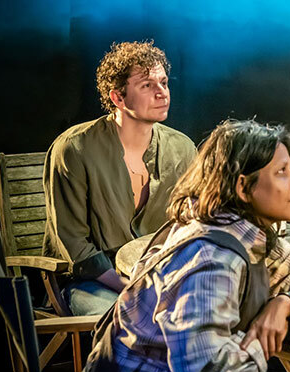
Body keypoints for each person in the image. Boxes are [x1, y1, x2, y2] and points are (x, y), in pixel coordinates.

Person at [81, 119, 290, 372]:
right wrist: (260, 343)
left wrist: (283, 305)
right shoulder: (212, 257)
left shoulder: (244, 232)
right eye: (282, 172)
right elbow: (202, 367)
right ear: (243, 188)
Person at [42, 40, 197, 316]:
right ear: (118, 98)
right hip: (90, 281)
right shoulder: (74, 149)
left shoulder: (182, 148)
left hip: (158, 278)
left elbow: (193, 222)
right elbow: (74, 244)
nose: (162, 93)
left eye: (163, 82)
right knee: (133, 320)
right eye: (147, 85)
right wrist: (130, 286)